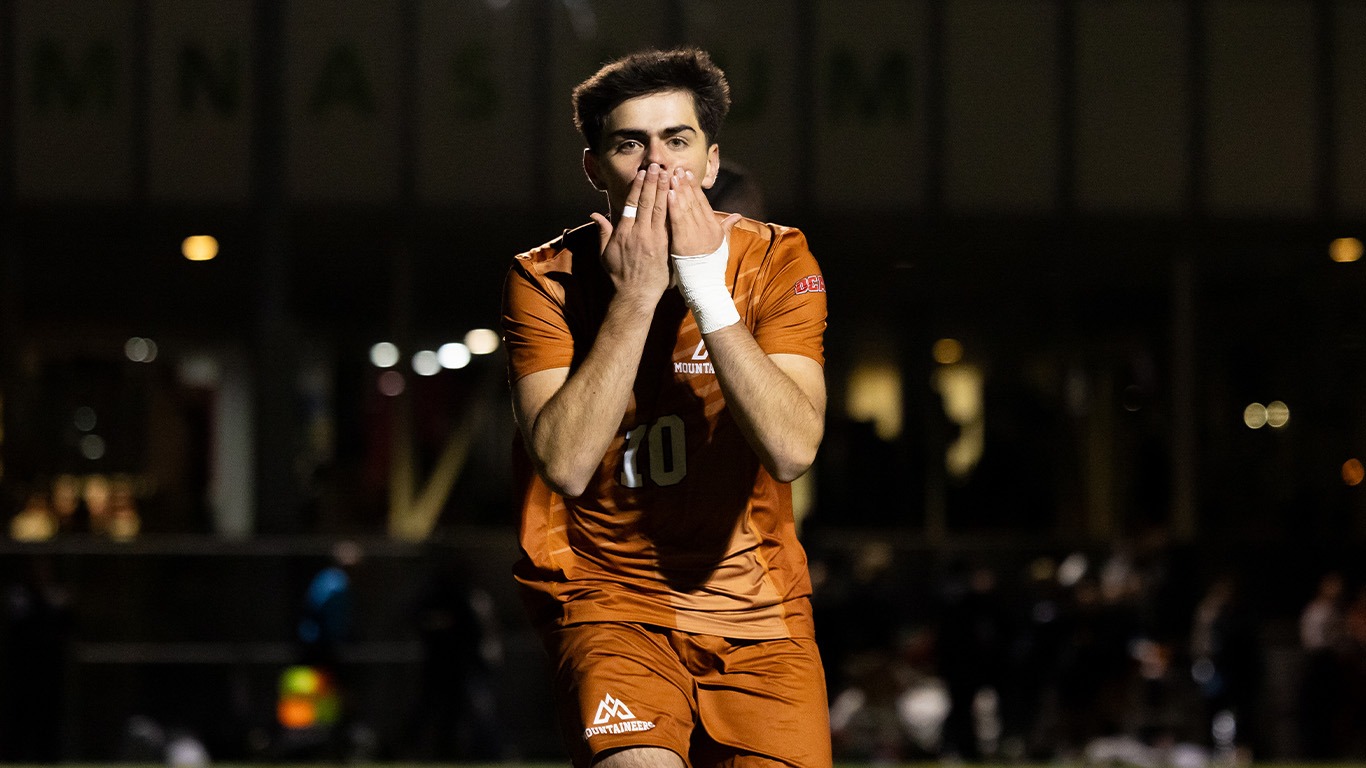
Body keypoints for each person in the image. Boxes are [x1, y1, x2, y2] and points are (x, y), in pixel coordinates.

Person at [500, 48, 830, 768]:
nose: (657, 165)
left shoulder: (778, 261)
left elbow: (793, 448)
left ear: (711, 163)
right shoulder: (545, 277)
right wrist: (638, 295)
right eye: (630, 144)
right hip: (611, 601)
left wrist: (705, 290)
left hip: (759, 613)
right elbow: (565, 461)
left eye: (677, 141)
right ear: (595, 169)